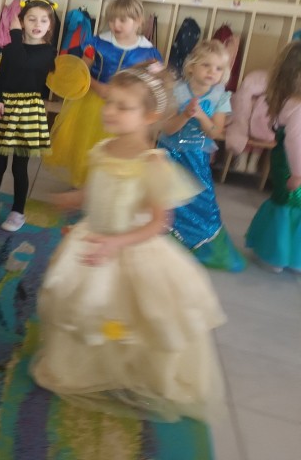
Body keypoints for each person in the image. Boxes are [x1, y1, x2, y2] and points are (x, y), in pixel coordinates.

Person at [32, 64, 226, 423]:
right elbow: (95, 190)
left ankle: (130, 369)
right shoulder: (103, 149)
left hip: (132, 247)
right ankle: (93, 365)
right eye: (110, 102)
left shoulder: (152, 163)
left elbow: (159, 222)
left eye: (123, 106)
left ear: (149, 116)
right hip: (96, 237)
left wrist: (116, 242)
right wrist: (73, 201)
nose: (110, 111)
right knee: (88, 306)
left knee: (128, 313)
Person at [46, 0, 162, 186]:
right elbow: (81, 71)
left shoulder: (149, 52)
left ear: (138, 21)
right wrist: (96, 86)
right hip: (92, 101)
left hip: (124, 108)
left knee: (115, 147)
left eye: (122, 20)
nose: (116, 25)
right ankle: (82, 185)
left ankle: (105, 185)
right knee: (85, 146)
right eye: (112, 19)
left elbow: (152, 84)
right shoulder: (97, 43)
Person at [159, 39, 245, 271]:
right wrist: (185, 115)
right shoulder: (177, 91)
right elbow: (167, 128)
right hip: (169, 154)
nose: (211, 72)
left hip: (196, 157)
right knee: (165, 199)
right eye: (206, 65)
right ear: (192, 67)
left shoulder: (221, 97)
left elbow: (216, 132)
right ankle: (163, 242)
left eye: (218, 68)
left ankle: (200, 244)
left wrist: (201, 116)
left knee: (200, 199)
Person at [0, 0, 58, 232]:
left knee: (19, 167)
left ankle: (18, 211)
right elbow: (0, 77)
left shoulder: (47, 51)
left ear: (50, 26)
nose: (37, 24)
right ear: (22, 22)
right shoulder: (11, 47)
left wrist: (13, 34)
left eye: (43, 20)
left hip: (28, 112)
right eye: (31, 19)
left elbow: (24, 62)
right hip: (5, 109)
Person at [245, 41, 301, 273]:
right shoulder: (298, 106)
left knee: (288, 206)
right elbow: (294, 141)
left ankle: (288, 255)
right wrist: (297, 174)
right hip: (293, 165)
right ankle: (278, 256)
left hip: (287, 161)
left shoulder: (288, 100)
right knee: (290, 206)